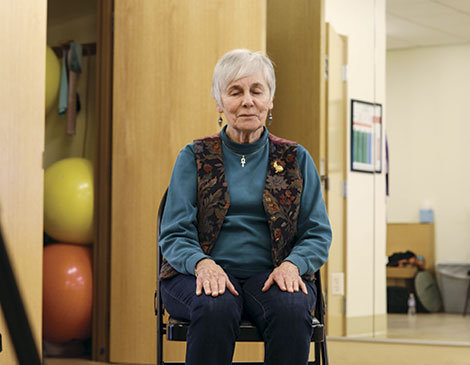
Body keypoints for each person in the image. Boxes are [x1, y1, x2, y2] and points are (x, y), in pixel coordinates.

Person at [158, 49, 332, 365]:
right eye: (235, 91)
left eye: (256, 90)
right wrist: (202, 264)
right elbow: (173, 231)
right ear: (219, 102)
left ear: (270, 99)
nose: (247, 101)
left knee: (293, 308)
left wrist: (294, 264)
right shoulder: (194, 156)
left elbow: (317, 232)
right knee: (214, 306)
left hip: (272, 275)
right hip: (196, 273)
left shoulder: (295, 158)